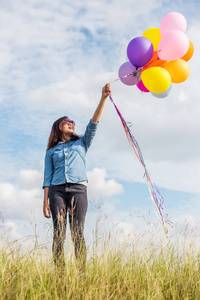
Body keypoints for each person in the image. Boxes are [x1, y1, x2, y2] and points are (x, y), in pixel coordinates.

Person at [43, 83, 111, 268]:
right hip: (56, 191)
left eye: (72, 121)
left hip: (78, 190)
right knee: (59, 233)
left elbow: (94, 123)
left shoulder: (82, 143)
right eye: (66, 121)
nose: (71, 122)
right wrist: (45, 202)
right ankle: (60, 275)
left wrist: (103, 98)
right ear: (58, 127)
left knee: (77, 232)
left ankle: (82, 273)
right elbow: (47, 177)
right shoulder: (51, 151)